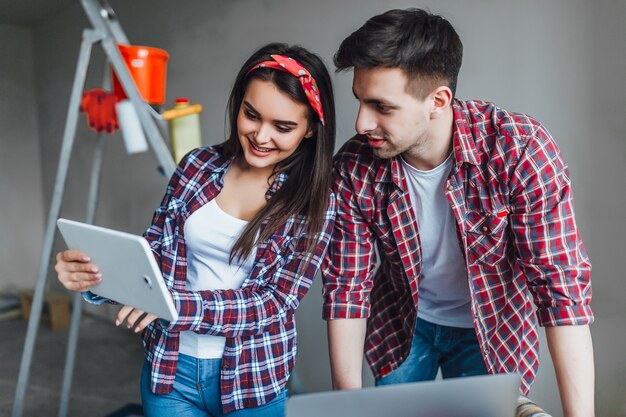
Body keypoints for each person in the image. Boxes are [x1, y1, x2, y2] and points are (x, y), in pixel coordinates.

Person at [321, 8, 594, 417]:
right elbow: (347, 288)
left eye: (381, 106)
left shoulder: (520, 150)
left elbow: (562, 294)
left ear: (439, 100)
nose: (361, 123)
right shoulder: (354, 166)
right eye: (360, 101)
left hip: (491, 330)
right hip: (402, 326)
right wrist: (348, 407)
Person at [55, 42, 336, 417]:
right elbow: (155, 251)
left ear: (310, 131)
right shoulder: (197, 165)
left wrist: (176, 306)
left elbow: (272, 302)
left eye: (283, 127)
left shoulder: (316, 201)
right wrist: (96, 276)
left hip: (253, 379)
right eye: (251, 115)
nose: (261, 136)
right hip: (171, 370)